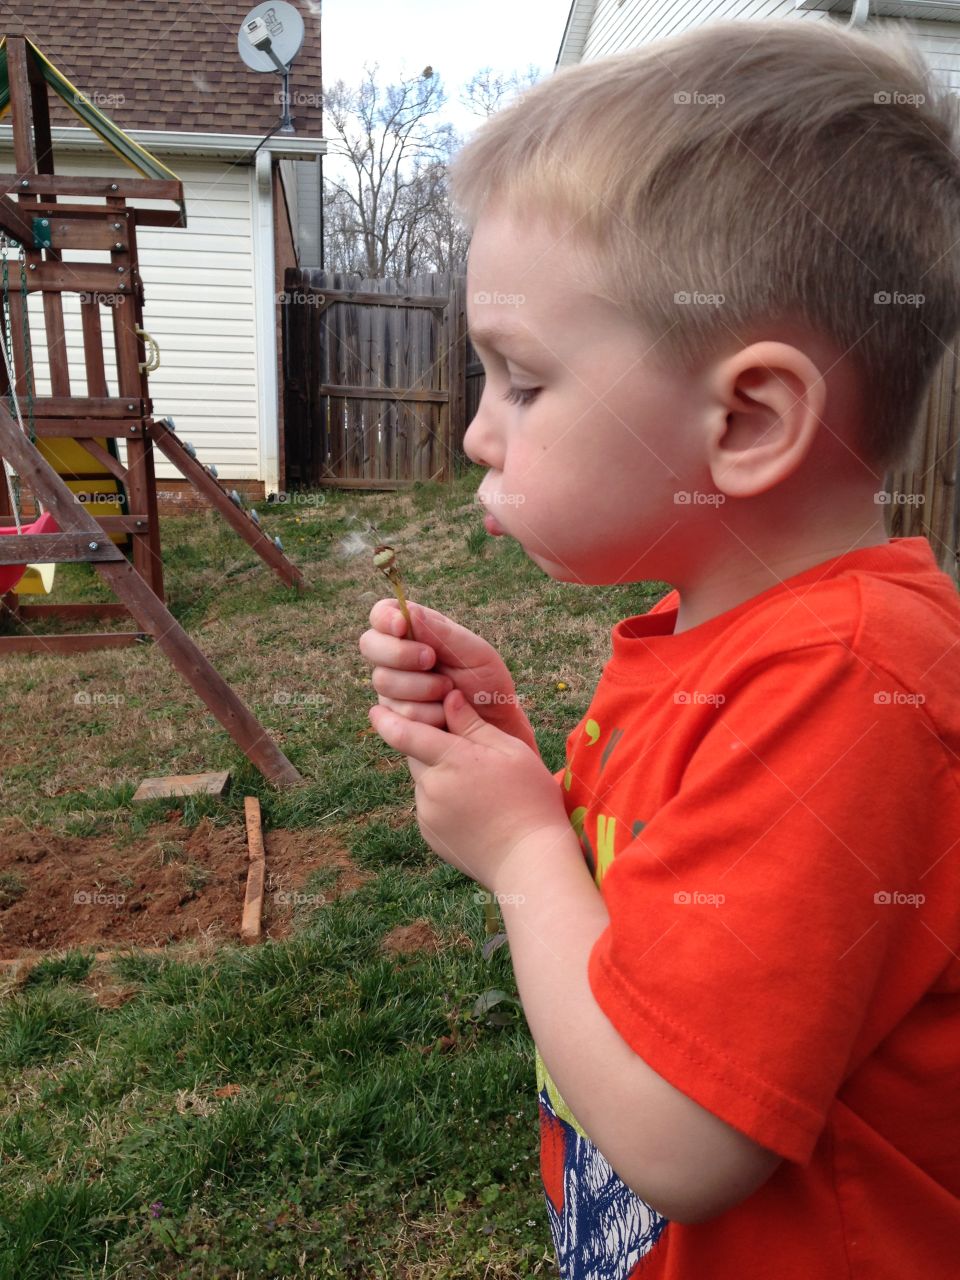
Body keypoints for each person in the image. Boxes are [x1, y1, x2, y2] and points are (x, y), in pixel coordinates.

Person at [359, 17, 960, 1279]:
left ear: (746, 419)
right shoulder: (726, 643)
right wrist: (531, 771)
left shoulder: (851, 681)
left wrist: (524, 852)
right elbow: (666, 916)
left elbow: (684, 1134)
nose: (478, 432)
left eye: (521, 381)